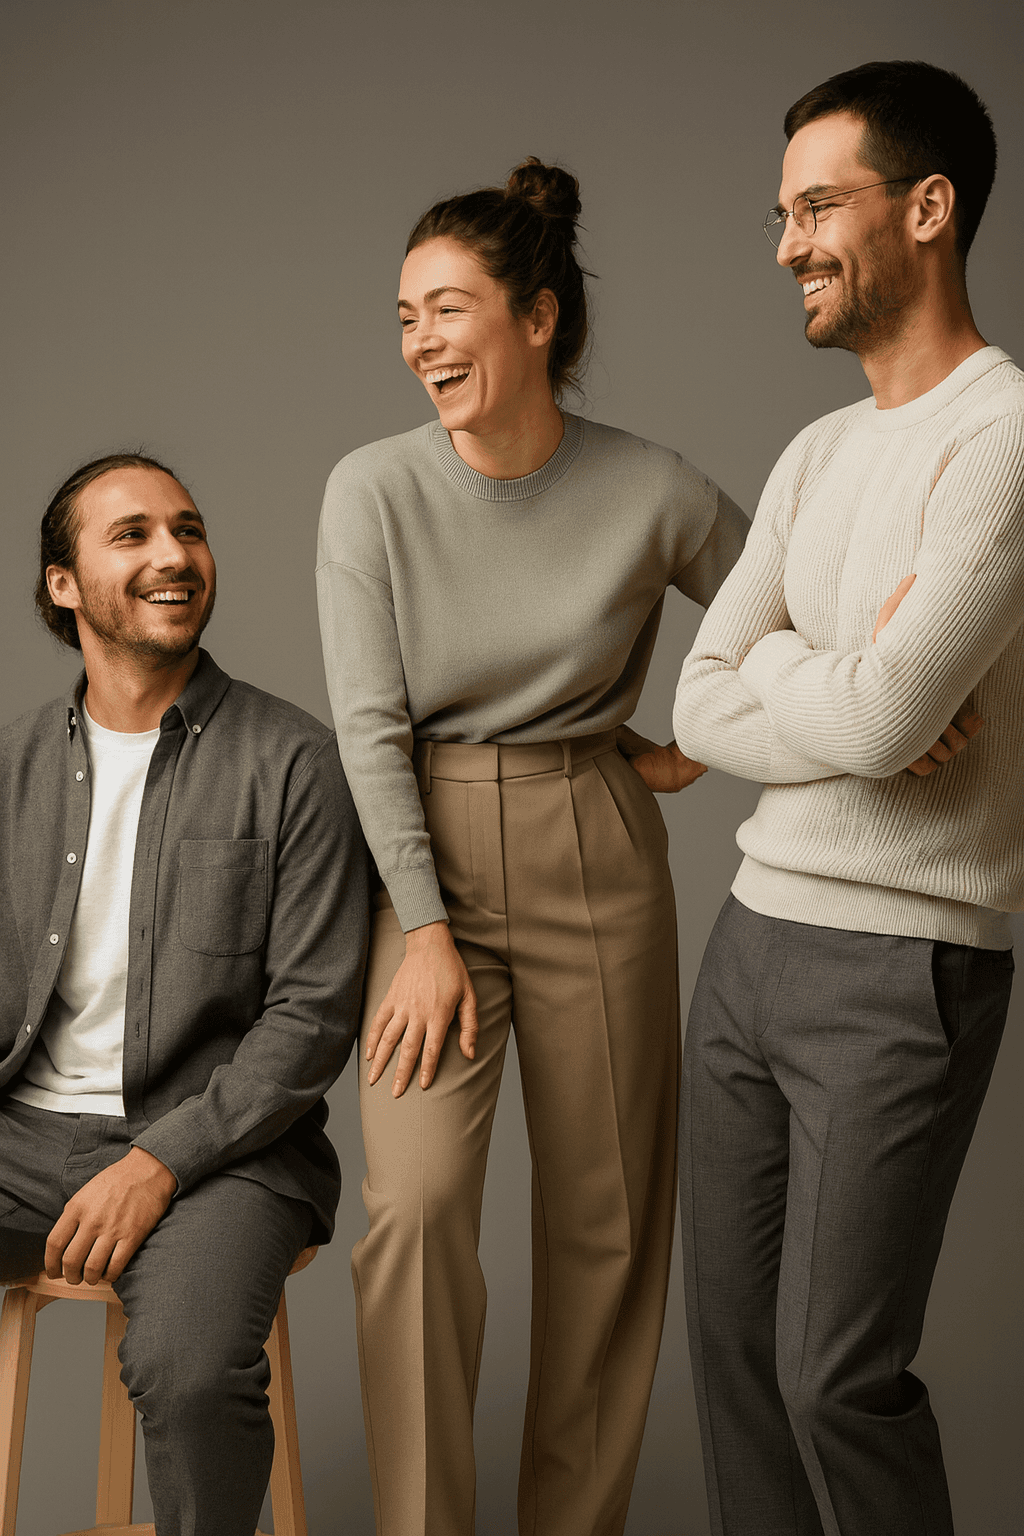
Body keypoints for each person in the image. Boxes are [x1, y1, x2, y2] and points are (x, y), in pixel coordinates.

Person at [316, 158, 747, 1535]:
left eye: (447, 308)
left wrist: (692, 740)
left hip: (596, 847)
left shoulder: (652, 487)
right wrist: (426, 931)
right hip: (421, 857)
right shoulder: (370, 492)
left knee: (608, 1229)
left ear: (538, 316)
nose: (421, 342)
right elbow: (370, 729)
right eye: (403, 317)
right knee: (421, 1211)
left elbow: (779, 612)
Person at [673, 60, 1023, 1536]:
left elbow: (888, 720)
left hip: (903, 961)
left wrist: (821, 684)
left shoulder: (1003, 437)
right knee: (737, 1366)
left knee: (837, 1378)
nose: (786, 244)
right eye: (781, 212)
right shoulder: (816, 452)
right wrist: (851, 678)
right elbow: (699, 697)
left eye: (817, 205)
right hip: (751, 946)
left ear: (928, 209)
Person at [0, 453, 368, 1536]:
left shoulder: (295, 761)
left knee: (192, 1371)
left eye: (190, 529)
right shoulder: (10, 769)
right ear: (62, 584)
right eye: (133, 535)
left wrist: (157, 1166)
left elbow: (310, 1020)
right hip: (20, 1137)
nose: (175, 555)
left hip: (223, 1153)